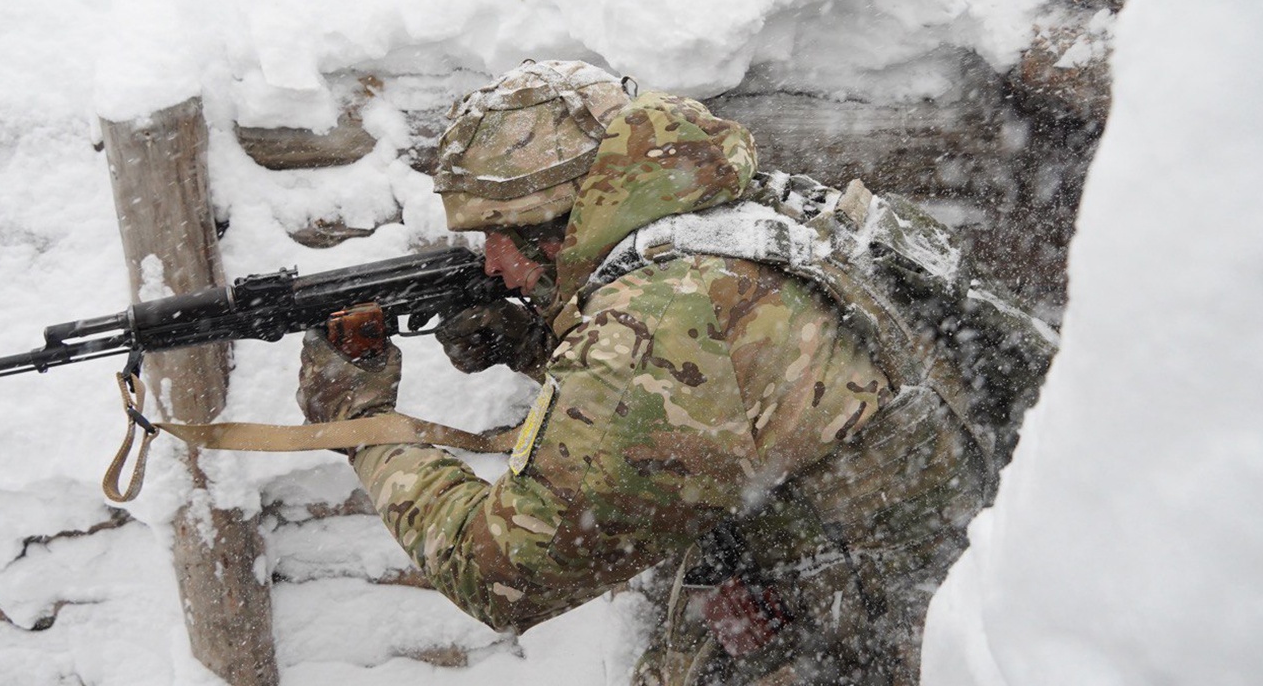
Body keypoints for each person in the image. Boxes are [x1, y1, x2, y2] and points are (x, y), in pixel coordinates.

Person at [297, 60, 1045, 685]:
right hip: (974, 578)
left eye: (500, 233)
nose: (491, 262)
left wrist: (364, 427)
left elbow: (504, 572)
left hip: (899, 654)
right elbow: (711, 388)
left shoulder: (656, 318)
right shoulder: (748, 213)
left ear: (563, 220)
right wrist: (533, 341)